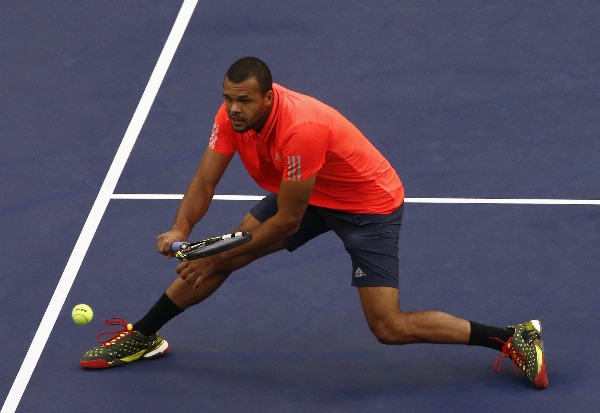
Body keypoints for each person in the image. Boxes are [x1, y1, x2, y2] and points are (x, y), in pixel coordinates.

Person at [80, 57, 547, 389]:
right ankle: (142, 336)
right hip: (307, 190)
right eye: (228, 99)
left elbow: (286, 223)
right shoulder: (230, 118)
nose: (233, 108)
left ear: (268, 96)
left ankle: (511, 337)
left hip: (368, 206)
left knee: (388, 327)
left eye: (243, 100)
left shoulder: (300, 130)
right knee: (219, 261)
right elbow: (205, 179)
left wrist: (219, 253)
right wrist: (182, 228)